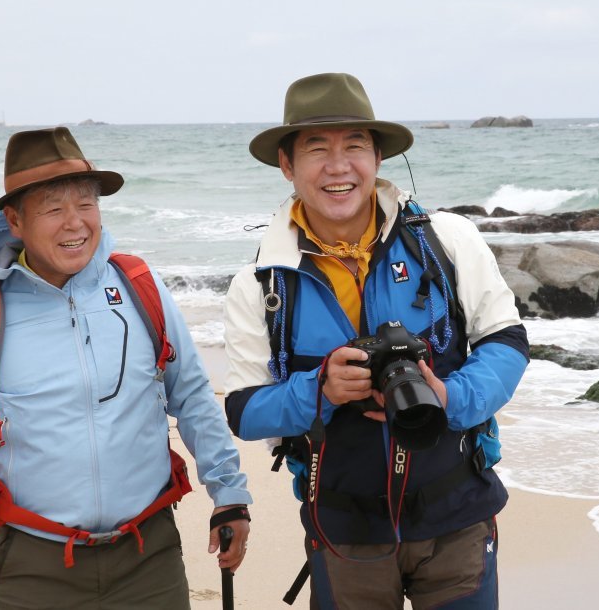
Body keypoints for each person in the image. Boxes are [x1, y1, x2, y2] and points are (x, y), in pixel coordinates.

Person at [0, 127, 251, 609]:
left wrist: (228, 493)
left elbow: (191, 395)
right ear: (15, 220)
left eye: (86, 204)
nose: (76, 223)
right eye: (53, 208)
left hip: (148, 555)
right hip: (34, 564)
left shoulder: (138, 286)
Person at [223, 73, 529, 609]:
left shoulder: (446, 239)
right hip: (342, 528)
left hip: (457, 512)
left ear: (379, 157)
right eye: (316, 149)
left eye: (355, 147)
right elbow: (245, 412)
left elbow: (506, 342)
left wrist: (450, 397)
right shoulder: (262, 282)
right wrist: (320, 389)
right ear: (287, 166)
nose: (338, 167)